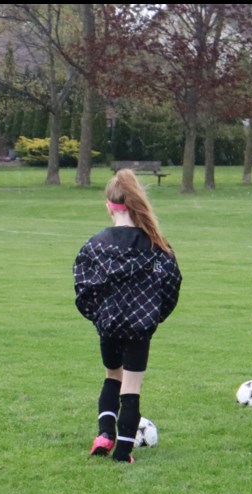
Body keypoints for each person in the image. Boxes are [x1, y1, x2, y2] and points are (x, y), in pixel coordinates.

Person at [74, 169, 182, 464]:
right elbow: (172, 284)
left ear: (109, 206)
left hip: (109, 326)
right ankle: (123, 454)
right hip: (139, 328)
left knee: (112, 376)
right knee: (131, 389)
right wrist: (154, 315)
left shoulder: (96, 244)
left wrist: (99, 317)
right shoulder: (157, 246)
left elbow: (83, 287)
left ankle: (104, 435)